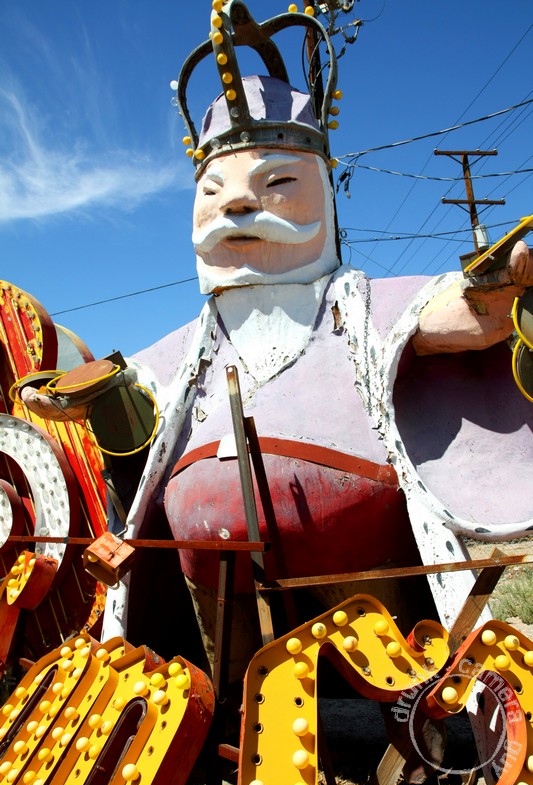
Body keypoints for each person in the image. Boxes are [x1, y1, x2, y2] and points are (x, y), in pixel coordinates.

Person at [22, 0, 533, 686]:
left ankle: (414, 723)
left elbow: (461, 318)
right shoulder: (191, 340)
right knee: (227, 681)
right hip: (203, 545)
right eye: (214, 190)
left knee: (398, 677)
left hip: (351, 536)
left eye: (277, 184)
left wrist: (495, 289)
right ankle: (223, 719)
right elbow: (125, 383)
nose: (236, 205)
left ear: (321, 191)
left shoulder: (358, 306)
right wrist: (71, 392)